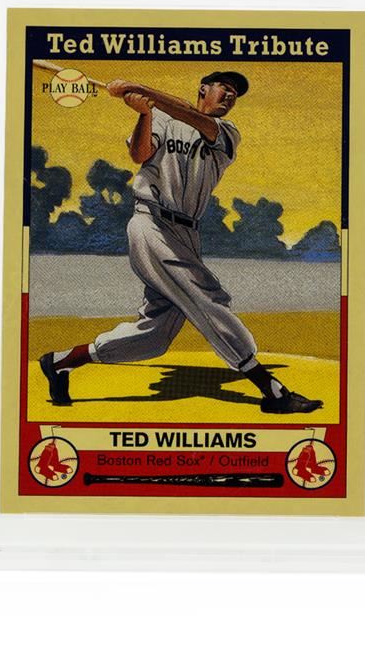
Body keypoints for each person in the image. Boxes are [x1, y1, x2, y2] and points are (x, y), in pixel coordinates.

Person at [38, 70, 323, 414]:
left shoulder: (226, 132)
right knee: (206, 298)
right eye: (225, 88)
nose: (230, 96)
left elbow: (190, 115)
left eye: (235, 94)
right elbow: (140, 155)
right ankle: (272, 391)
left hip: (186, 233)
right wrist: (145, 114)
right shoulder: (161, 117)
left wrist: (139, 87)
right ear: (204, 88)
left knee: (154, 336)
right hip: (151, 222)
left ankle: (61, 361)